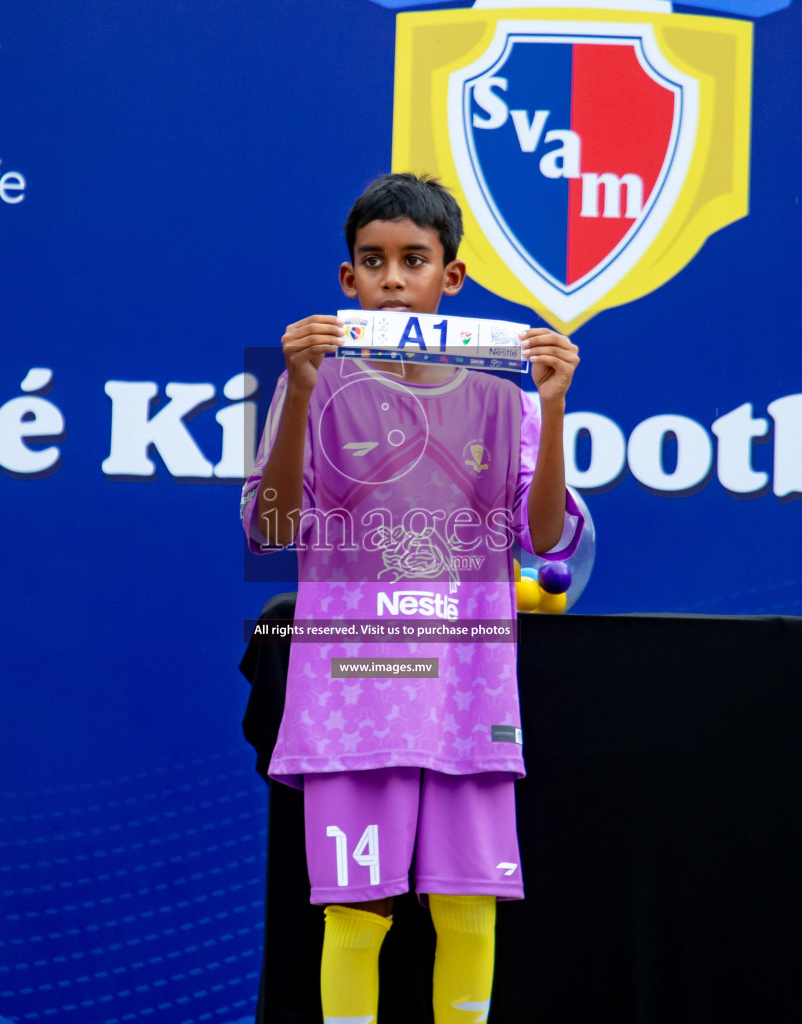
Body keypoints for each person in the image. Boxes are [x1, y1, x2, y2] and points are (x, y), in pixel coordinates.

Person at [240, 172, 581, 1023]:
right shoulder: (308, 386)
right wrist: (305, 390)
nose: (394, 279)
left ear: (451, 278)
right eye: (373, 261)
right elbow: (269, 533)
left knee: (469, 912)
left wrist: (555, 406)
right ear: (346, 280)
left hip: (469, 702)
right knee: (355, 923)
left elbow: (542, 542)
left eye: (414, 260)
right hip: (354, 697)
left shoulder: (508, 400)